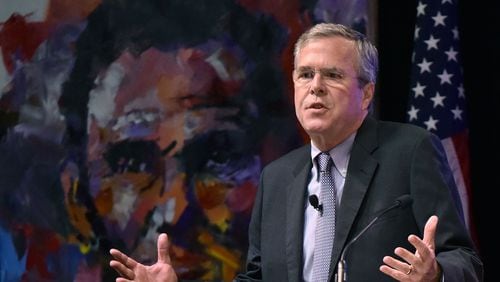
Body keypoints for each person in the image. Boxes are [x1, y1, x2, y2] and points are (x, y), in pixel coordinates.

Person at [110, 23, 483, 281]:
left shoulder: (410, 150)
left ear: (366, 93)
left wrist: (435, 275)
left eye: (333, 75)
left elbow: (464, 260)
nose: (315, 87)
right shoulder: (276, 178)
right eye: (305, 75)